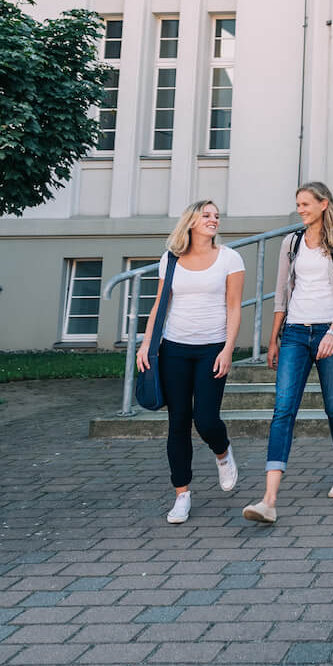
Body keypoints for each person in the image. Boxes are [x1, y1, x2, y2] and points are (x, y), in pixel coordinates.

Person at [242, 182, 333, 524]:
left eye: (306, 203)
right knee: (283, 409)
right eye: (298, 204)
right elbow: (281, 293)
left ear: (323, 204)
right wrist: (274, 338)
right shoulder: (290, 243)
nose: (301, 209)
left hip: (328, 329)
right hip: (294, 331)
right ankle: (269, 499)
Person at [135, 199, 243, 524]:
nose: (213, 220)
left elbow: (235, 307)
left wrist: (228, 349)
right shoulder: (170, 260)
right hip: (174, 350)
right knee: (178, 423)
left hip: (212, 348)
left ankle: (223, 453)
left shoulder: (230, 259)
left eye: (216, 216)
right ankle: (182, 494)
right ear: (192, 222)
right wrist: (145, 343)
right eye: (206, 215)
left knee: (206, 420)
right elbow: (159, 304)